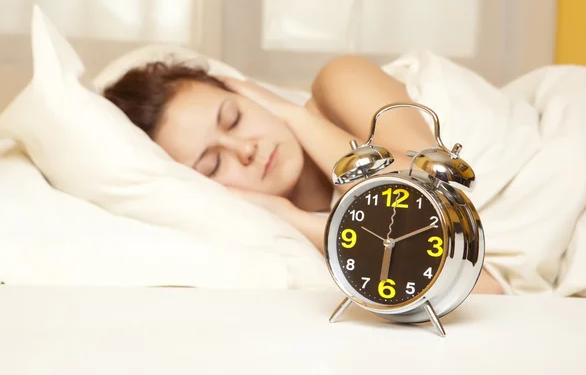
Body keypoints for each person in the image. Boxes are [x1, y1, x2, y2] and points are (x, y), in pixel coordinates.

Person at [103, 55, 503, 294]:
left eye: (235, 117)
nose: (245, 149)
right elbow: (484, 288)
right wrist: (292, 219)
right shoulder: (292, 241)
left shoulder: (340, 81)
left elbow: (436, 190)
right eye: (213, 164)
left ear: (248, 92)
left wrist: (290, 112)